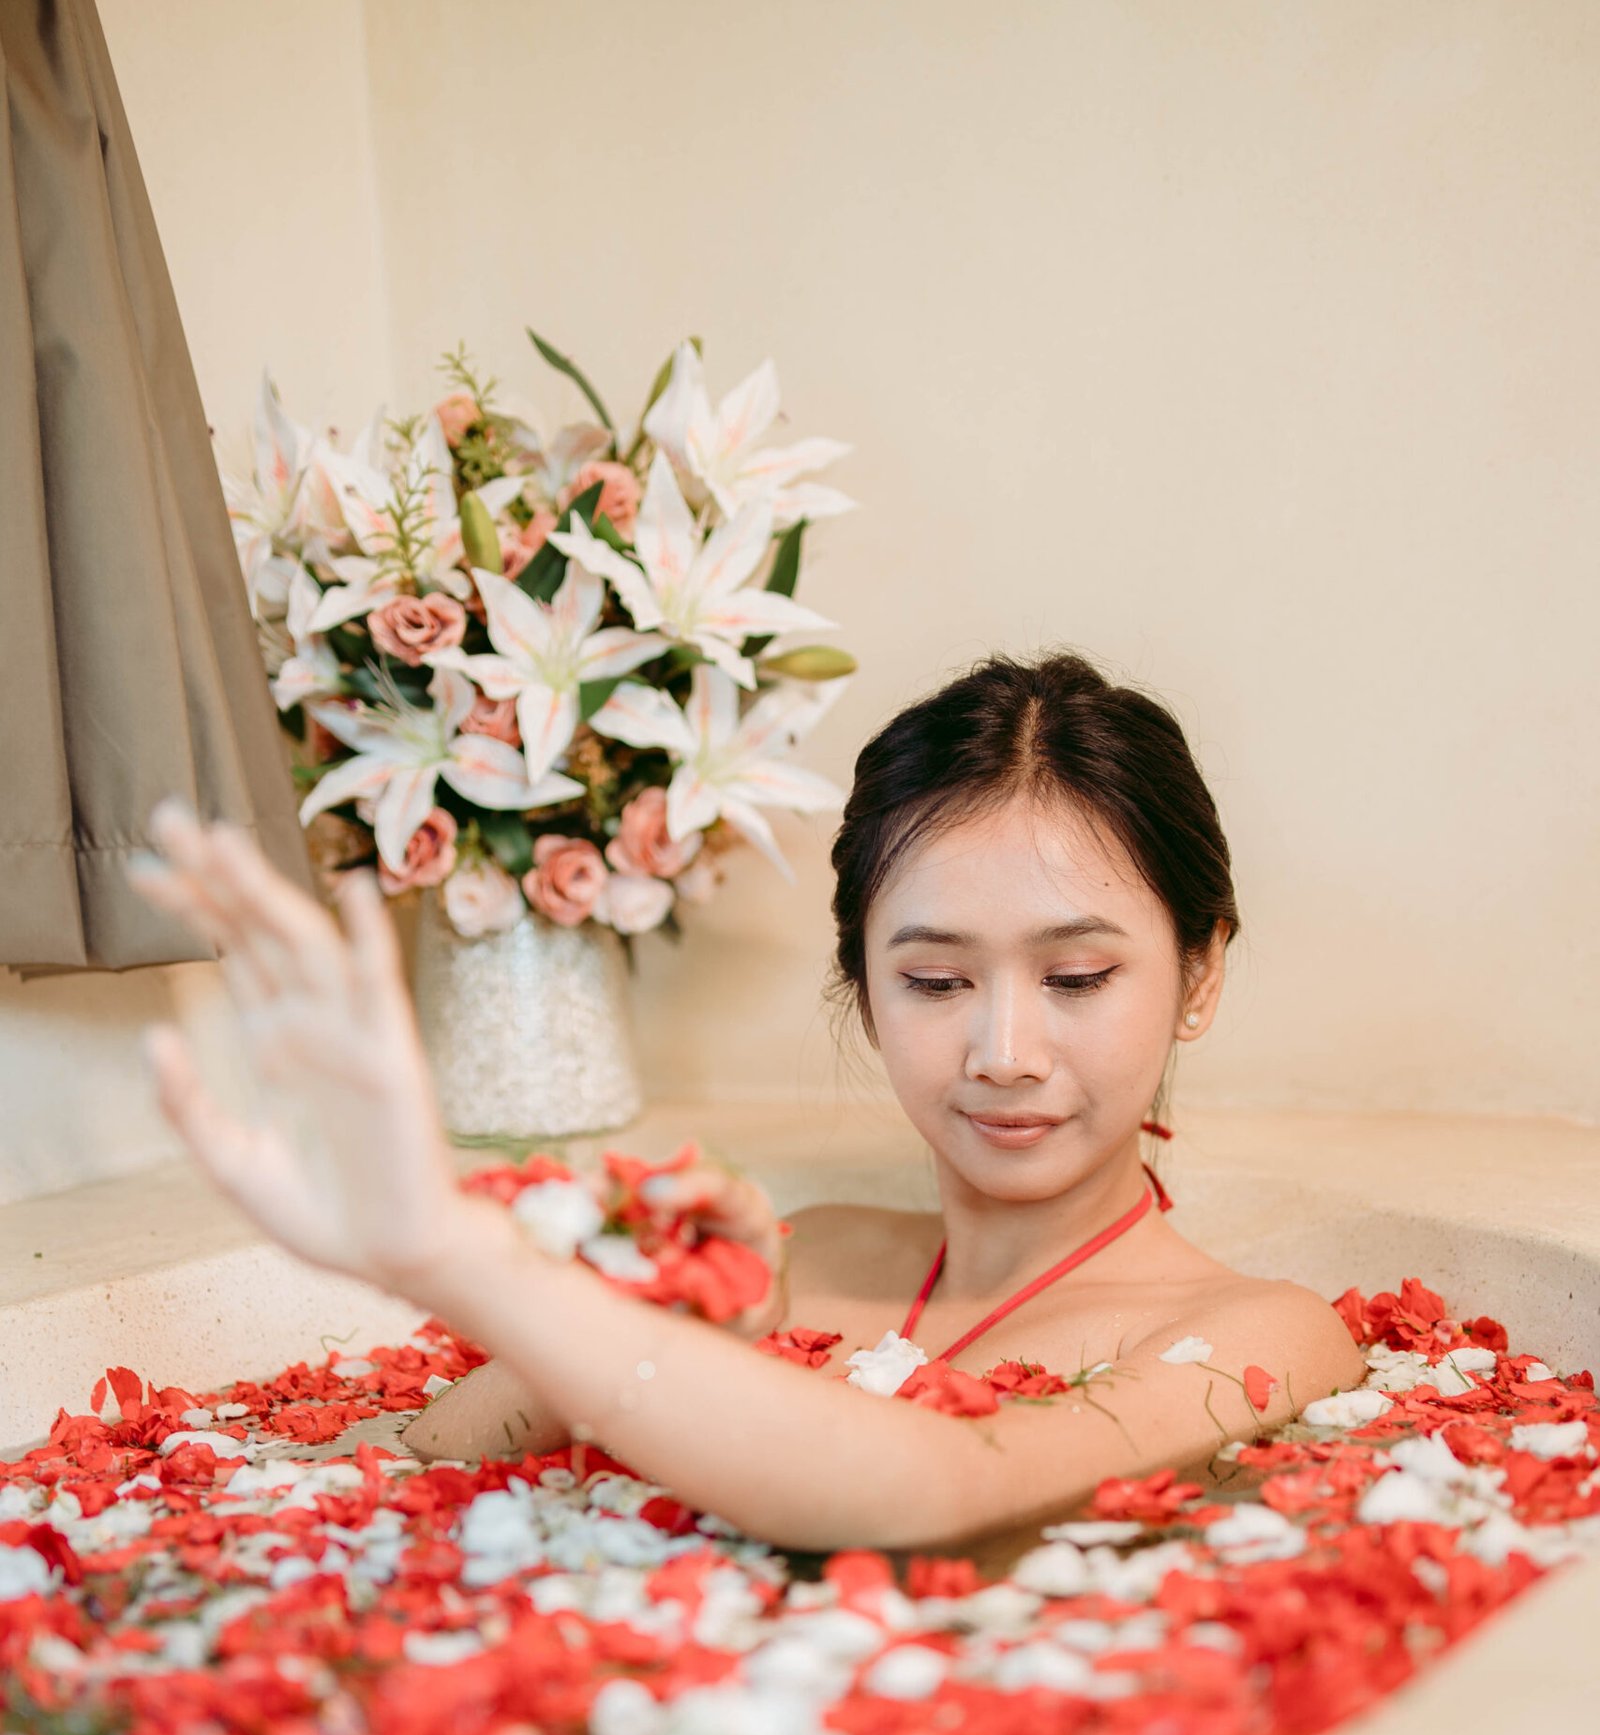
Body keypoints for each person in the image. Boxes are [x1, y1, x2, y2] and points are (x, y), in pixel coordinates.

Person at [128, 649, 1363, 1560]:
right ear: (863, 987)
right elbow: (418, 1462)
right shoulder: (802, 1255)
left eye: (1077, 977)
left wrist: (460, 1259)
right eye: (935, 982)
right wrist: (656, 1303)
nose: (1003, 1052)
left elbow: (936, 1490)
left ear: (1199, 975)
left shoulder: (1261, 1334)